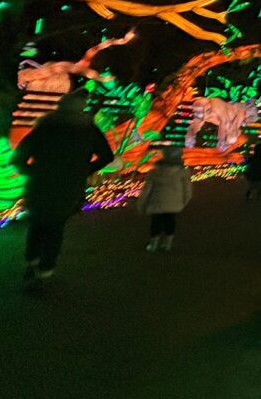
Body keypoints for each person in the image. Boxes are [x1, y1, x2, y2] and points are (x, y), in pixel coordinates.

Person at [11, 89, 114, 289]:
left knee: (37, 224)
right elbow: (107, 156)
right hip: (69, 188)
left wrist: (34, 172)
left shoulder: (45, 127)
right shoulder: (88, 130)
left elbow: (18, 158)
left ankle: (32, 262)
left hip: (39, 186)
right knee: (55, 228)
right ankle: (44, 271)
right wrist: (84, 170)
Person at [136, 146, 192, 252]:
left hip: (156, 202)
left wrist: (141, 204)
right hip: (174, 202)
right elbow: (187, 189)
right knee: (170, 221)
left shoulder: (154, 172)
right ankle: (167, 244)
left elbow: (146, 190)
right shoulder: (182, 172)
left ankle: (153, 244)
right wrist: (184, 201)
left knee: (156, 222)